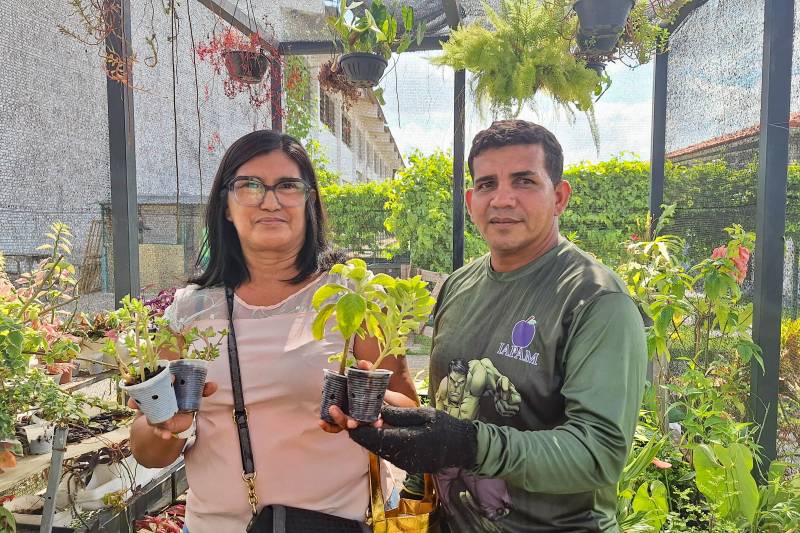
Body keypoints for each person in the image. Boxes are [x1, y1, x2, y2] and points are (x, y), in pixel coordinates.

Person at [332, 120, 648, 532]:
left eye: (524, 181)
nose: (502, 199)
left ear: (560, 197)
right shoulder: (459, 285)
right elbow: (448, 408)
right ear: (469, 200)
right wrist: (407, 452)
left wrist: (469, 443)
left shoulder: (595, 300)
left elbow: (598, 454)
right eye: (486, 184)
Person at [127, 130, 416, 533]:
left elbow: (409, 410)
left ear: (309, 200)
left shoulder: (352, 295)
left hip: (336, 523)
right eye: (249, 185)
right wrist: (164, 429)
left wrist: (367, 406)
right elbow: (147, 451)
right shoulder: (190, 311)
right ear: (226, 205)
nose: (270, 200)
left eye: (288, 186)